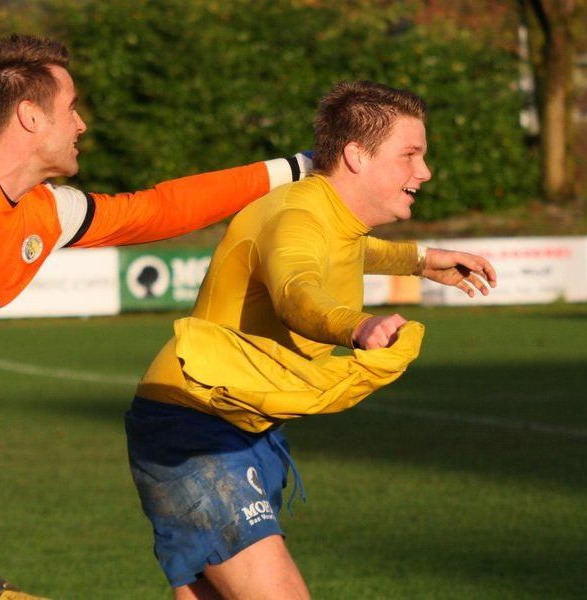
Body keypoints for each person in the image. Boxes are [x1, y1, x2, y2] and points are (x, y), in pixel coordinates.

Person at [0, 33, 317, 600]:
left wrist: (300, 167)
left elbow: (157, 209)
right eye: (71, 109)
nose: (82, 124)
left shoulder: (46, 212)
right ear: (30, 116)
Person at [126, 80, 498, 599]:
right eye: (410, 155)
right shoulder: (297, 216)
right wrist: (357, 326)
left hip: (233, 420)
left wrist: (422, 260)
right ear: (356, 156)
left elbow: (351, 250)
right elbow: (296, 293)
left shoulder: (324, 215)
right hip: (198, 424)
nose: (425, 171)